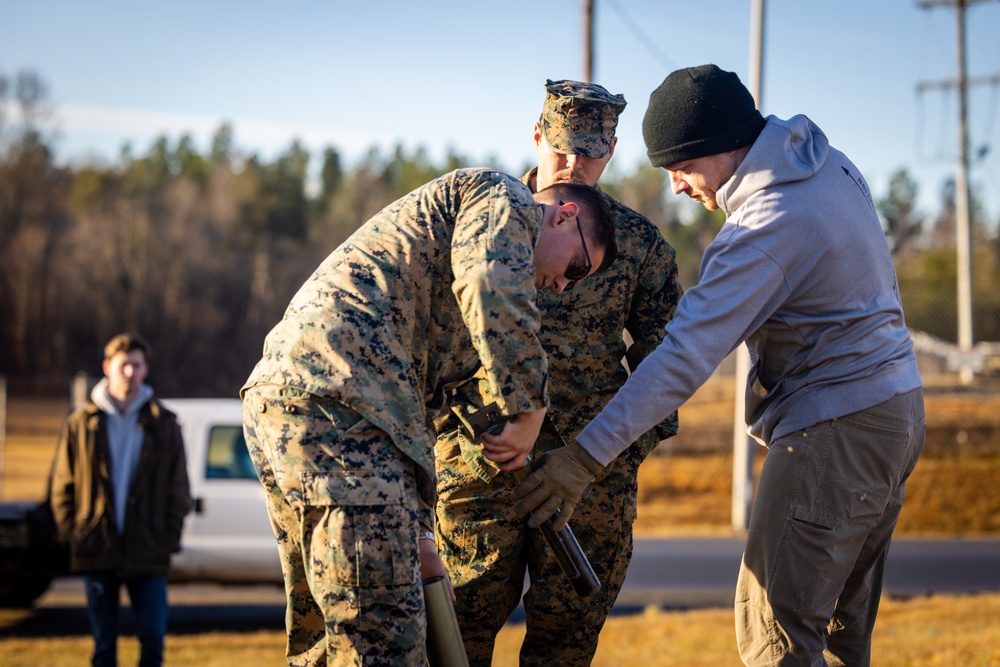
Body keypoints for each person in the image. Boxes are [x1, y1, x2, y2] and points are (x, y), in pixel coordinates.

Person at [514, 64, 925, 666]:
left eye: (681, 168)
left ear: (721, 149)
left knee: (775, 638)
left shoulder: (767, 225)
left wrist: (581, 459)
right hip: (897, 412)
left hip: (837, 429)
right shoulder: (827, 163)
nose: (678, 187)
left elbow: (681, 356)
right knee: (839, 635)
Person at [240, 167, 616, 667]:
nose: (563, 288)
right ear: (564, 217)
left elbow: (423, 416)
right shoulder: (503, 198)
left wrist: (418, 535)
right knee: (383, 640)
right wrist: (530, 406)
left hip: (305, 402)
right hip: (344, 403)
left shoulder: (443, 299)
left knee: (330, 640)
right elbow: (489, 278)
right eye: (575, 269)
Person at [433, 80, 682, 666]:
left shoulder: (638, 246)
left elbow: (666, 368)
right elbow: (430, 342)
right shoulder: (479, 222)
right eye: (563, 148)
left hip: (587, 480)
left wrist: (611, 456)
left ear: (612, 152)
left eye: (591, 154)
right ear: (537, 135)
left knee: (563, 647)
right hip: (478, 470)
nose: (575, 164)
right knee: (452, 643)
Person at [50, 333, 192, 667]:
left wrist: (167, 536)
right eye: (123, 365)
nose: (130, 372)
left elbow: (179, 489)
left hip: (149, 550)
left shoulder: (164, 424)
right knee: (103, 648)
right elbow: (61, 487)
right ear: (107, 367)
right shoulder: (80, 423)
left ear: (145, 369)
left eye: (137, 365)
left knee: (153, 644)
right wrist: (75, 533)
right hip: (97, 549)